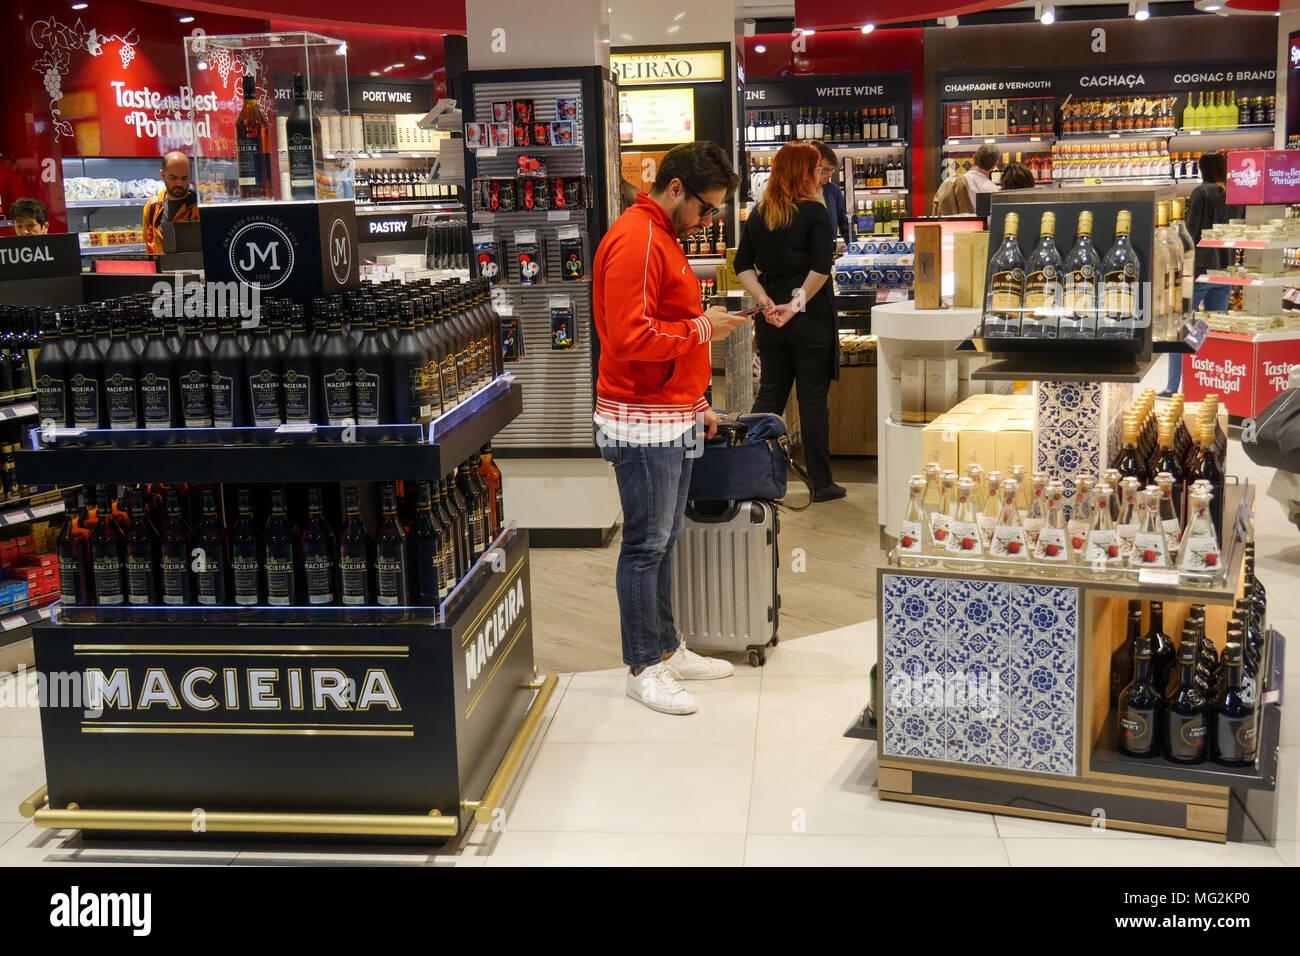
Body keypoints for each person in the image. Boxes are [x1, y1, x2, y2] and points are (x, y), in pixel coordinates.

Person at [592, 141, 747, 716]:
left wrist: (694, 398)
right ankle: (642, 666)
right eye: (706, 209)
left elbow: (666, 325)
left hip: (669, 413)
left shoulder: (664, 236)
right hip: (640, 421)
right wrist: (705, 330)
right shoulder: (639, 239)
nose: (708, 221)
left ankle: (665, 649)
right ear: (675, 188)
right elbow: (631, 339)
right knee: (645, 544)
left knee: (665, 541)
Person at [735, 142, 843, 502]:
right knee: (812, 399)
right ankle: (821, 483)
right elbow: (821, 269)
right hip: (809, 316)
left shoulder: (760, 213)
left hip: (771, 319)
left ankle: (747, 470)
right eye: (816, 170)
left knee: (769, 394)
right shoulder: (816, 213)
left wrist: (767, 302)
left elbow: (742, 266)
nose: (820, 177)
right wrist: (794, 306)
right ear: (804, 173)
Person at [1161, 151, 1241, 397]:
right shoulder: (1233, 194)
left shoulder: (1201, 193)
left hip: (1198, 271)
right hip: (1225, 270)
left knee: (1183, 329)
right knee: (1215, 329)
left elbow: (1191, 232)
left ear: (1203, 170)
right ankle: (1211, 383)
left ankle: (1174, 387)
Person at [143, 151, 199, 254]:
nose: (179, 183)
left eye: (184, 178)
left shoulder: (200, 207)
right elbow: (149, 246)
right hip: (162, 269)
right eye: (173, 178)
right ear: (162, 175)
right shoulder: (152, 206)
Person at [931, 145, 999, 215]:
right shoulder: (995, 191)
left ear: (974, 158)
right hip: (981, 225)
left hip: (954, 225)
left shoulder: (952, 183)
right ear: (995, 165)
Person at [808, 140, 851, 243]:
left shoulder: (834, 191)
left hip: (828, 253)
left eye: (831, 170)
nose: (830, 174)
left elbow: (846, 226)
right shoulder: (798, 191)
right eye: (826, 170)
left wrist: (856, 251)